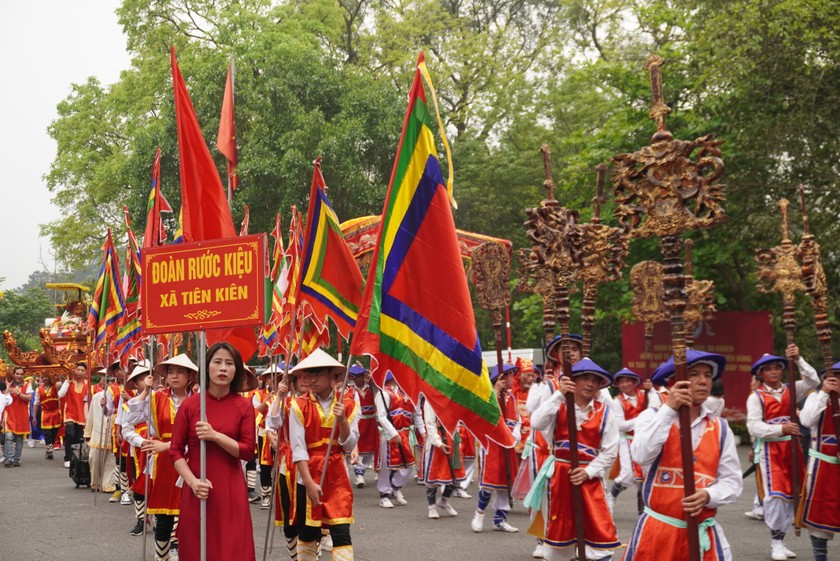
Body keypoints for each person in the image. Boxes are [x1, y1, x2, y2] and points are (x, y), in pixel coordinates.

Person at [623, 349, 743, 561]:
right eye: (694, 374)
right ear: (673, 383)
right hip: (657, 533)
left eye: (707, 375)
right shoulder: (651, 417)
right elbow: (640, 455)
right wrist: (669, 409)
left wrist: (708, 495)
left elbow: (732, 482)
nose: (703, 381)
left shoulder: (720, 427)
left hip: (702, 534)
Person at [170, 342, 257, 561]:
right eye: (217, 362)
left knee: (231, 549)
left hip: (231, 489)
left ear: (236, 370)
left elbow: (247, 451)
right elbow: (176, 452)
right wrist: (192, 483)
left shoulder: (244, 406)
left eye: (229, 363)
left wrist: (215, 436)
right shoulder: (189, 406)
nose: (223, 368)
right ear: (206, 367)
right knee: (198, 549)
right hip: (198, 489)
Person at [528, 358, 619, 561]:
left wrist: (589, 471)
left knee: (599, 533)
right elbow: (535, 422)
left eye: (595, 380)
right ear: (573, 382)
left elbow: (610, 451)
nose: (590, 383)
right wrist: (559, 394)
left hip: (591, 480)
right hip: (560, 479)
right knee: (559, 539)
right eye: (584, 378)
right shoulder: (558, 407)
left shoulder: (605, 413)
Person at [747, 346, 820, 560]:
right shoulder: (756, 397)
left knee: (792, 494)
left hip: (792, 448)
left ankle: (781, 538)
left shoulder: (791, 389)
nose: (773, 372)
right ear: (760, 374)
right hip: (771, 451)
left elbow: (814, 381)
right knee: (775, 496)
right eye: (768, 369)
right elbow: (753, 426)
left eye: (777, 368)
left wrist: (798, 358)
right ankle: (775, 543)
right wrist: (780, 429)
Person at [288, 348, 359, 561]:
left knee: (341, 532)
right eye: (309, 374)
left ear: (333, 376)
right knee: (308, 533)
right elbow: (298, 448)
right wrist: (308, 483)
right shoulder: (298, 405)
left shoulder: (348, 404)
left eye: (318, 373)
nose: (311, 379)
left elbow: (350, 445)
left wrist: (343, 421)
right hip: (308, 474)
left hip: (337, 475)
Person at [127, 354, 198, 561]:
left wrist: (166, 445)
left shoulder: (199, 401)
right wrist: (145, 392)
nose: (174, 376)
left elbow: (198, 436)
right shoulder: (156, 398)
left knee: (188, 514)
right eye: (171, 372)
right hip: (164, 464)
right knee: (164, 516)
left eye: (180, 372)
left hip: (191, 460)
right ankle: (161, 557)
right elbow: (130, 418)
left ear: (190, 376)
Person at [471, 363, 521, 533]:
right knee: (489, 481)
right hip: (491, 444)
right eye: (509, 375)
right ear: (500, 378)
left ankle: (500, 519)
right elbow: (482, 412)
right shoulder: (487, 395)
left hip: (508, 444)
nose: (512, 379)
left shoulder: (512, 397)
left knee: (506, 482)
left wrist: (515, 433)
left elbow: (518, 419)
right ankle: (479, 513)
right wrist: (494, 392)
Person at [798, 364, 839, 561]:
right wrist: (824, 393)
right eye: (835, 377)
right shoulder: (816, 397)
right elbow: (806, 420)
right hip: (821, 465)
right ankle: (820, 557)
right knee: (819, 515)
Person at [607, 367, 648, 513]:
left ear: (634, 382)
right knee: (627, 474)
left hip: (644, 440)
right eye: (621, 382)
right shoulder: (616, 402)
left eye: (627, 381)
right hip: (626, 440)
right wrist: (642, 420)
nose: (625, 384)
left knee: (644, 476)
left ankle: (642, 512)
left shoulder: (645, 395)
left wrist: (651, 390)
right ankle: (611, 496)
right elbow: (620, 426)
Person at [375, 371, 418, 508]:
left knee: (408, 465)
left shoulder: (402, 392)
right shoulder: (383, 393)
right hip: (388, 434)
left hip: (404, 433)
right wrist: (393, 434)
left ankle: (395, 486)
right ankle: (384, 495)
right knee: (386, 467)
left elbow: (415, 413)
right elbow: (381, 416)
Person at [122, 361, 152, 536]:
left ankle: (157, 518)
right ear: (135, 383)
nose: (146, 380)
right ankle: (141, 519)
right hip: (139, 449)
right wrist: (141, 441)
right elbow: (126, 428)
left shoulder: (162, 398)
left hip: (160, 448)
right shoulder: (130, 403)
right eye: (141, 379)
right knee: (140, 485)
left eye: (148, 377)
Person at [421, 397, 464, 519]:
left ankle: (444, 500)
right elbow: (430, 425)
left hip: (452, 439)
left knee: (456, 475)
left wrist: (457, 440)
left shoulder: (452, 399)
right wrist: (438, 443)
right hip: (437, 441)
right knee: (433, 476)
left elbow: (456, 421)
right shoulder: (430, 401)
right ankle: (432, 506)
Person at [85, 378, 117, 493]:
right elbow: (91, 416)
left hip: (113, 433)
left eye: (113, 382)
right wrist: (87, 433)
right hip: (97, 433)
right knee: (94, 459)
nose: (110, 384)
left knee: (111, 461)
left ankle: (108, 484)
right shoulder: (96, 397)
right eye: (108, 382)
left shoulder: (120, 396)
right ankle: (96, 483)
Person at [347, 364, 377, 488]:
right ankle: (358, 473)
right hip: (358, 422)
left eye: (361, 375)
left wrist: (372, 380)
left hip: (371, 422)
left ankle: (362, 471)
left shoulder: (371, 388)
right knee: (357, 447)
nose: (360, 378)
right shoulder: (351, 390)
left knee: (369, 450)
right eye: (357, 376)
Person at [59, 362, 90, 468]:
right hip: (69, 413)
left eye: (82, 370)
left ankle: (77, 459)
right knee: (70, 434)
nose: (80, 372)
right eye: (78, 370)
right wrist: (67, 382)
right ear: (75, 370)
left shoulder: (88, 385)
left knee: (79, 438)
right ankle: (67, 458)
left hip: (82, 414)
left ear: (86, 372)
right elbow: (61, 394)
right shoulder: (69, 382)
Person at [3, 366, 33, 467]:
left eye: (21, 374)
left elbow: (29, 398)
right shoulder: (7, 383)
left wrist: (18, 393)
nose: (19, 376)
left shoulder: (27, 385)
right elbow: (3, 396)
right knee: (8, 436)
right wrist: (8, 387)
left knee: (19, 438)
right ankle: (9, 459)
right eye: (17, 373)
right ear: (13, 374)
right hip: (9, 413)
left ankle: (17, 459)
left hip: (21, 414)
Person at [34, 374, 63, 460]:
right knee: (47, 434)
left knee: (54, 433)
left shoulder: (56, 386)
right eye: (42, 377)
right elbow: (36, 403)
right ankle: (49, 450)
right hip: (46, 413)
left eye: (46, 376)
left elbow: (63, 382)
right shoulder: (38, 389)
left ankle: (50, 448)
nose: (44, 378)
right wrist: (34, 417)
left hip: (56, 412)